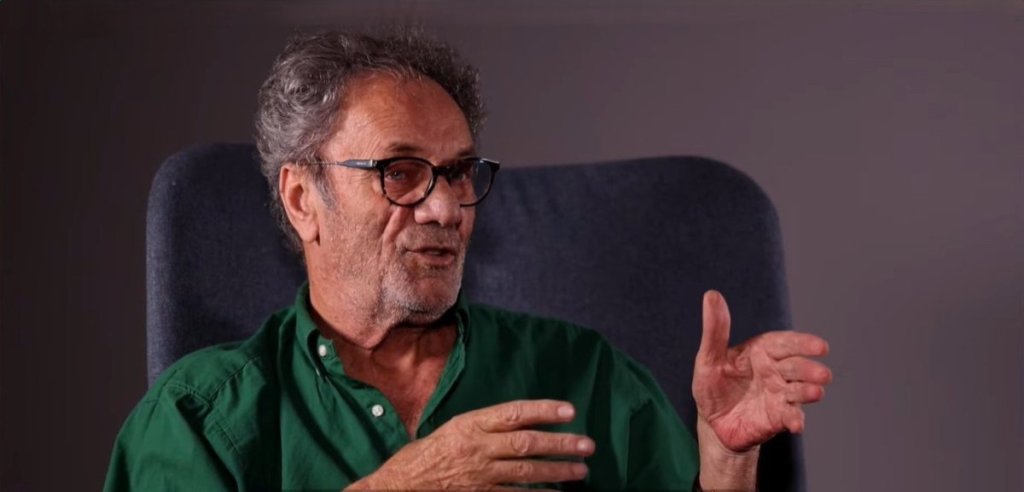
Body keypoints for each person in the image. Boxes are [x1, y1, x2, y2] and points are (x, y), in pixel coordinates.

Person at [104, 29, 832, 491]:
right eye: (400, 172)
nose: (446, 207)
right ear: (302, 199)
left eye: (457, 172)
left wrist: (727, 461)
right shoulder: (200, 417)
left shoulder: (585, 375)